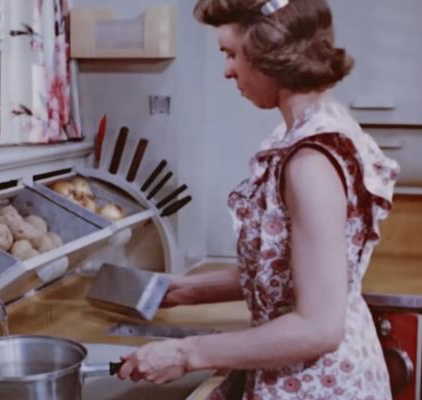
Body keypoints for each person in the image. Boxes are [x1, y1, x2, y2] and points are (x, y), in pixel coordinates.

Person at [116, 0, 400, 398]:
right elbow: (286, 270)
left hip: (317, 386)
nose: (227, 70)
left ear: (270, 52)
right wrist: (185, 290)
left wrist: (186, 352)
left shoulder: (310, 162)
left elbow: (318, 328)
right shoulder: (315, 132)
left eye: (232, 54)